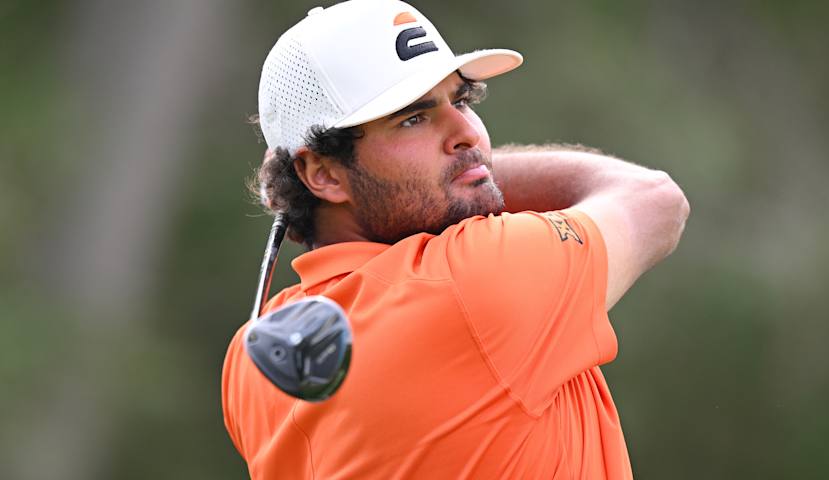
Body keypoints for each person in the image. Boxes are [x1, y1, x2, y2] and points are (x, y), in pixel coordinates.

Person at [221, 0, 690, 478]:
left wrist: (458, 171)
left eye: (462, 101)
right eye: (413, 118)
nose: (468, 132)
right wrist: (471, 170)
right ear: (323, 173)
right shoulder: (473, 277)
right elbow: (654, 200)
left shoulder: (250, 358)